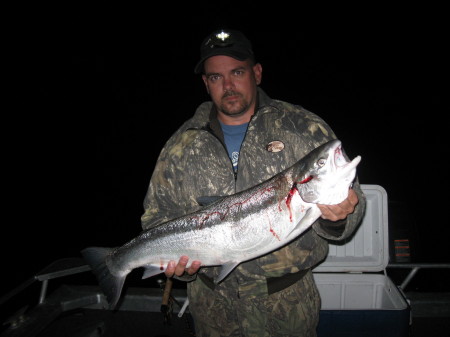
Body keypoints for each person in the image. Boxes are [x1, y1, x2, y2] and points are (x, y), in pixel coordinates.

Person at [141, 28, 366, 337]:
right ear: (206, 84)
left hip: (288, 307)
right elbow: (157, 217)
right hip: (213, 311)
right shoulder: (180, 146)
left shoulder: (302, 127)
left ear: (256, 73)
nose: (229, 85)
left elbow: (352, 211)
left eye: (237, 72)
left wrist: (339, 217)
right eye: (216, 77)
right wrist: (180, 271)